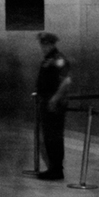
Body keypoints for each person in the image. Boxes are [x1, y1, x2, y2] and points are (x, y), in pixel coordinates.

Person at [31, 32, 73, 181]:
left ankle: (56, 169)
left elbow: (66, 81)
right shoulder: (49, 59)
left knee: (54, 137)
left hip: (54, 104)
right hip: (47, 102)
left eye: (44, 44)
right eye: (42, 44)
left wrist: (55, 99)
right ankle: (52, 168)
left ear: (51, 44)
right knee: (49, 137)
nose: (42, 47)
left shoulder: (58, 59)